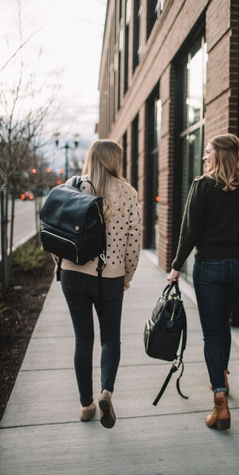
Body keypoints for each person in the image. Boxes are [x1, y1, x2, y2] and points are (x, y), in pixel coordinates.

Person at [168, 133, 239, 431]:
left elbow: (190, 232)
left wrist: (175, 267)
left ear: (219, 155)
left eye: (207, 151)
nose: (203, 157)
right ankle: (222, 376)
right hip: (237, 267)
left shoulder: (202, 187)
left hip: (209, 266)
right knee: (223, 325)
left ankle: (219, 403)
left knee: (211, 332)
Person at [60, 140, 141, 429]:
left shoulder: (73, 186)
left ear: (92, 158)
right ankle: (106, 391)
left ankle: (86, 405)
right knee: (110, 338)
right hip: (110, 276)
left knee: (83, 339)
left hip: (73, 274)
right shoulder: (129, 193)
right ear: (116, 160)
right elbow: (134, 243)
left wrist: (60, 263)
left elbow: (56, 228)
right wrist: (126, 276)